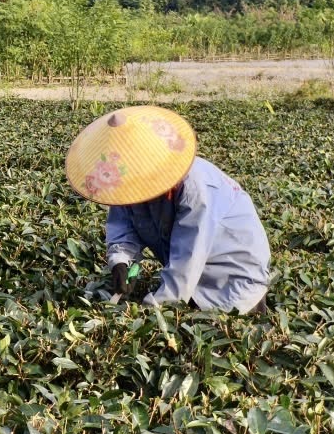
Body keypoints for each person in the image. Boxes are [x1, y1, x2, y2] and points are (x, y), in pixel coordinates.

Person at [65, 105, 270, 314]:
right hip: (187, 278)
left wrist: (152, 309)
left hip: (233, 283)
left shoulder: (196, 189)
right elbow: (124, 224)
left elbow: (188, 258)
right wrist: (120, 262)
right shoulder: (126, 184)